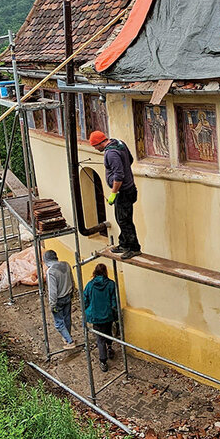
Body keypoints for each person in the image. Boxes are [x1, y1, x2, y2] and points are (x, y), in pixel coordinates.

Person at [89, 130, 141, 259]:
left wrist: (114, 192)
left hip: (123, 192)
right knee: (121, 218)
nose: (95, 149)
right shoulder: (118, 143)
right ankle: (123, 244)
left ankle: (134, 248)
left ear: (100, 143)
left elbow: (119, 176)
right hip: (130, 189)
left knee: (124, 220)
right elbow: (130, 159)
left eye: (95, 146)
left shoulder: (111, 154)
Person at [83, 262, 117, 372]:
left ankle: (103, 361)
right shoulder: (111, 284)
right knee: (108, 331)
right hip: (107, 314)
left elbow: (85, 300)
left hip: (95, 316)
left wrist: (89, 310)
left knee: (100, 339)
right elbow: (114, 301)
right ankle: (110, 348)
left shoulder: (90, 285)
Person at [45, 249, 76, 350]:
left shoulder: (51, 272)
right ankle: (67, 336)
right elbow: (72, 280)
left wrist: (52, 304)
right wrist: (72, 293)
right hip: (67, 296)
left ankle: (70, 341)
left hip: (58, 300)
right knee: (67, 318)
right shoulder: (66, 264)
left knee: (58, 323)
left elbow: (52, 291)